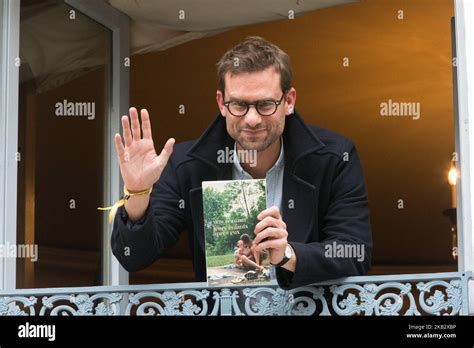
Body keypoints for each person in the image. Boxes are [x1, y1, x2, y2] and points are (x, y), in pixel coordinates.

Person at [111, 36, 372, 290]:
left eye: (265, 104)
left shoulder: (336, 157)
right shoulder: (185, 164)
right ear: (221, 103)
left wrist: (288, 254)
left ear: (289, 101)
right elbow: (133, 257)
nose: (252, 119)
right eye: (238, 105)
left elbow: (355, 252)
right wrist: (137, 193)